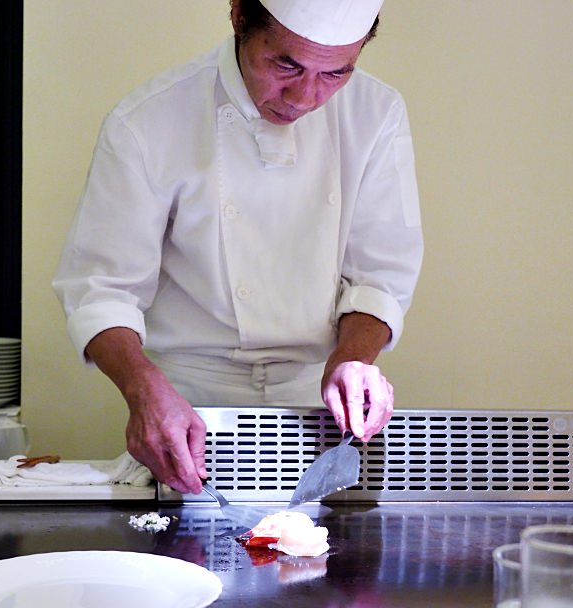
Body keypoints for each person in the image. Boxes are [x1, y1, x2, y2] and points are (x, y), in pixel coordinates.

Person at [53, 0, 423, 495]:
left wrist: (353, 359)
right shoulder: (147, 120)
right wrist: (142, 387)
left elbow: (379, 274)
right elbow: (102, 291)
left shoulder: (377, 114)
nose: (305, 96)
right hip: (187, 409)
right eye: (285, 65)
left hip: (318, 406)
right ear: (237, 17)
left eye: (335, 73)